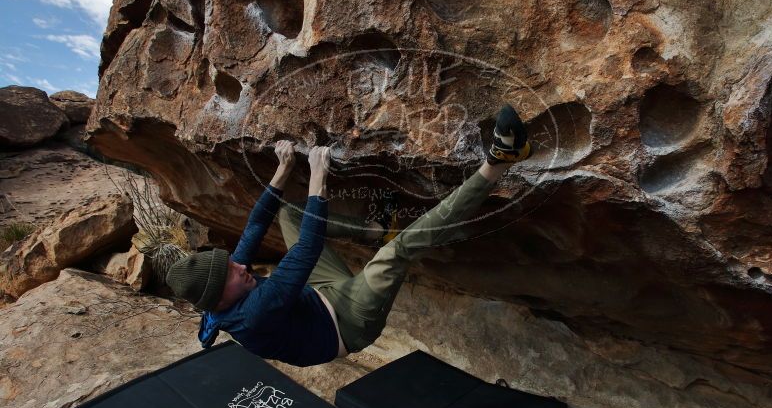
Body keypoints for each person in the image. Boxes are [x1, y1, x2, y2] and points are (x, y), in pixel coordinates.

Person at [166, 104, 532, 366]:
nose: (239, 266)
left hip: (318, 296)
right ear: (219, 298)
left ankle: (374, 231)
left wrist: (283, 169)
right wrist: (317, 174)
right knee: (398, 250)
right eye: (230, 272)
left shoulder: (229, 284)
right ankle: (500, 160)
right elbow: (306, 250)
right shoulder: (254, 315)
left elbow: (257, 222)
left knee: (288, 214)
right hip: (347, 324)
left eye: (229, 262)